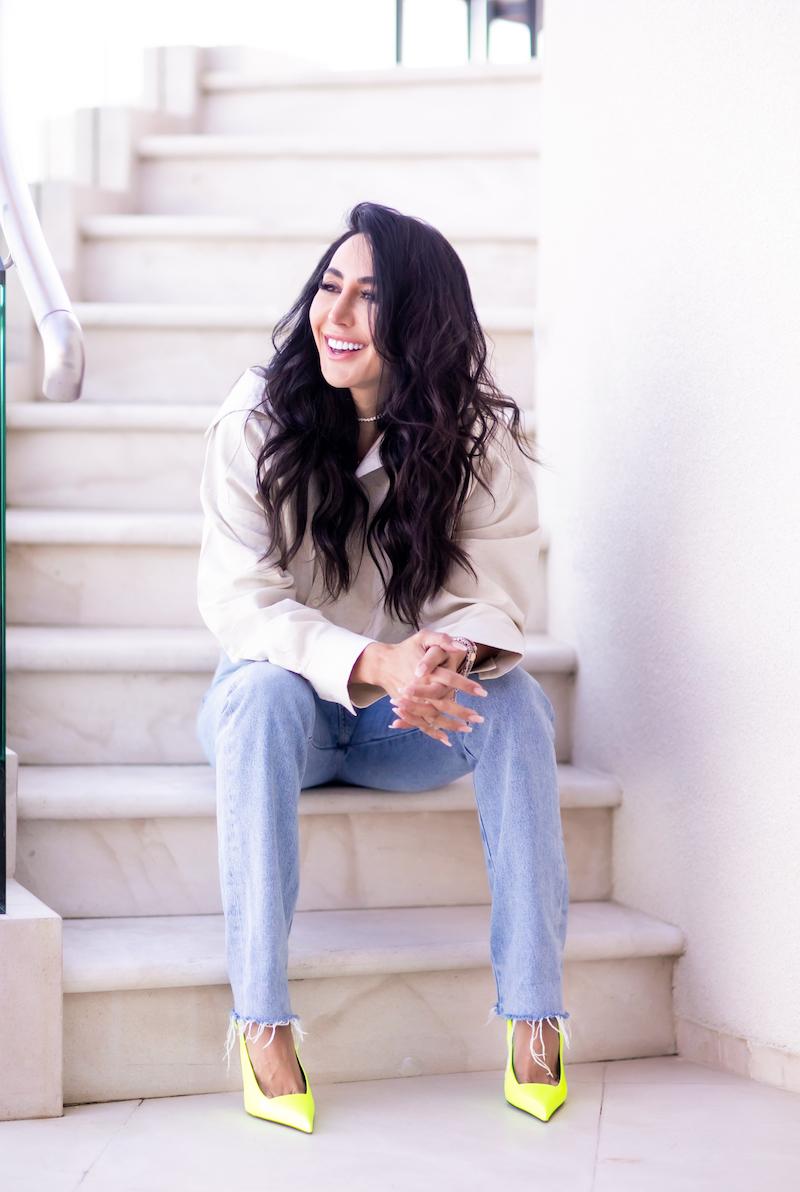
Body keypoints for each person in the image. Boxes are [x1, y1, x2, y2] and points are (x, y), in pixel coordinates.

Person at [195, 201, 571, 1130]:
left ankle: (535, 1011)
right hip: (286, 713)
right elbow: (241, 602)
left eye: (368, 298)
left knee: (516, 702)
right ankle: (261, 1023)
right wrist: (377, 657)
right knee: (259, 693)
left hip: (405, 724)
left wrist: (447, 653)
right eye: (330, 288)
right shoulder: (257, 414)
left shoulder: (478, 439)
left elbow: (496, 585)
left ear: (420, 321)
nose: (338, 316)